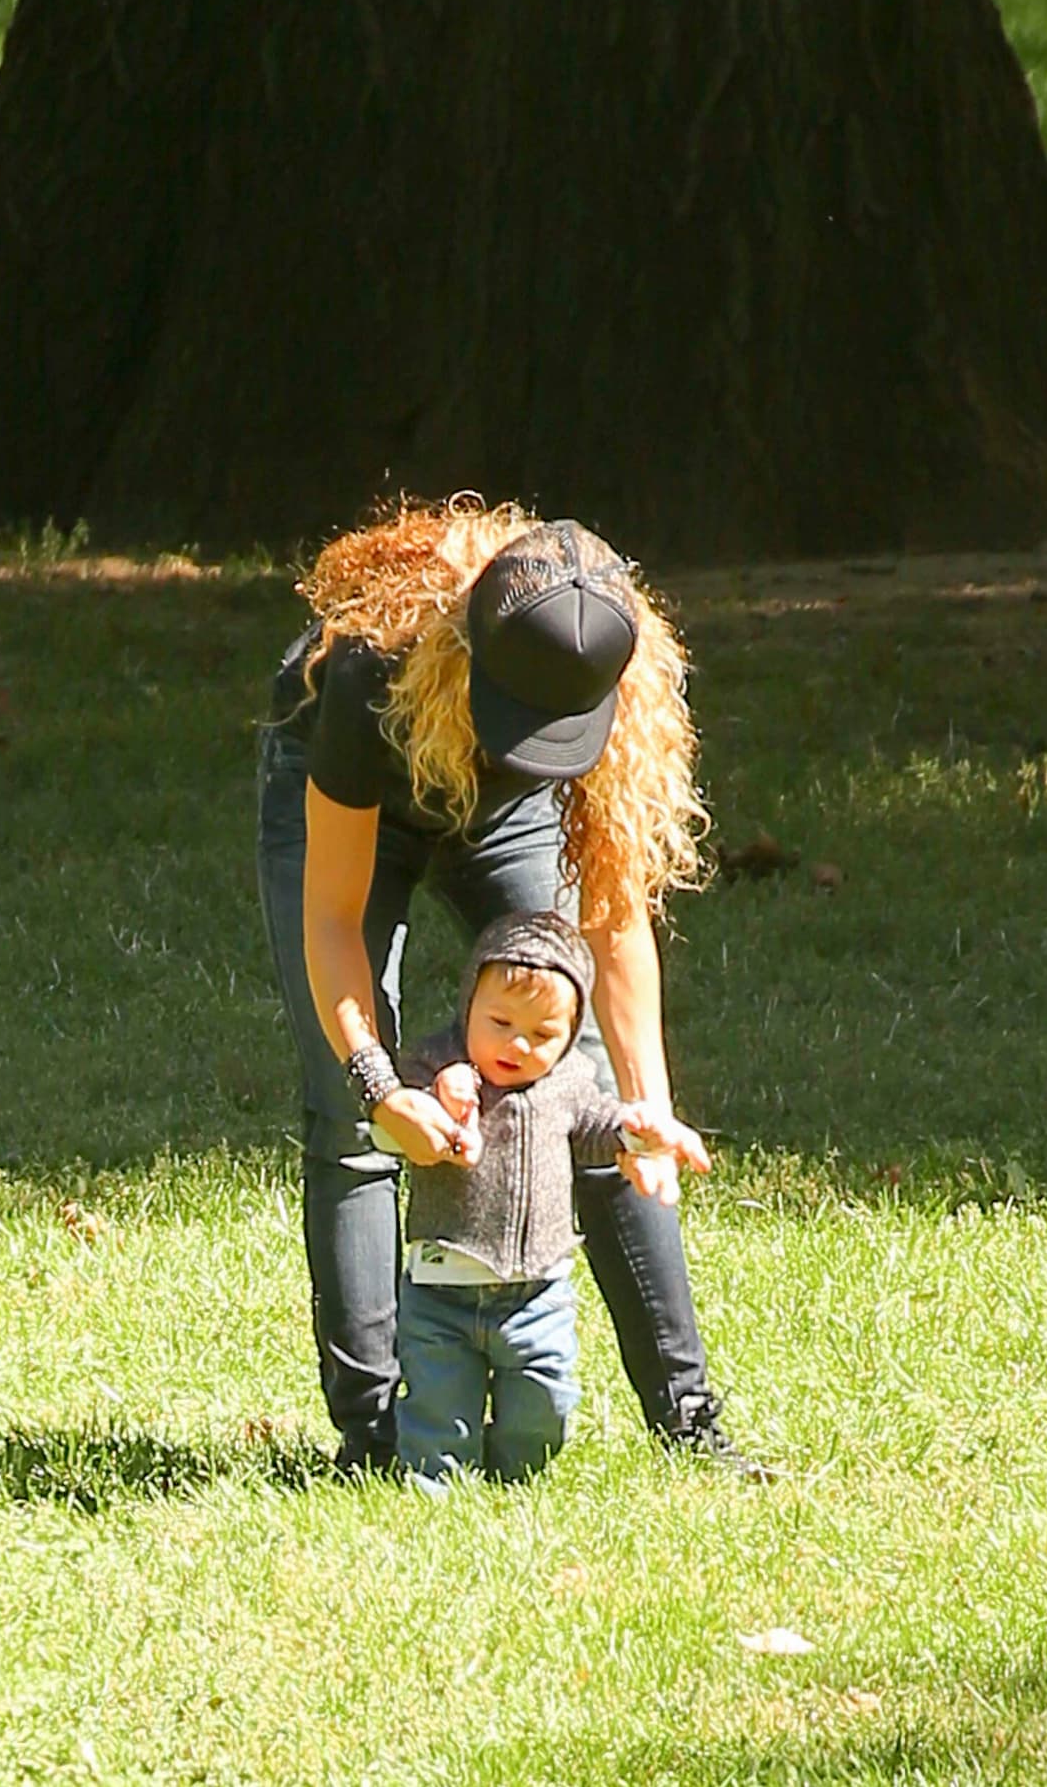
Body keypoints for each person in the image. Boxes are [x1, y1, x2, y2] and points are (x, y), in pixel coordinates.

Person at [257, 493, 757, 1476]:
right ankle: (374, 1444)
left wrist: (647, 1107)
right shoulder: (368, 668)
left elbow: (612, 925)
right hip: (368, 783)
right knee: (350, 1115)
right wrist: (380, 1086)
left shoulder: (622, 683)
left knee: (585, 1091)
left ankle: (689, 1425)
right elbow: (331, 916)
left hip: (505, 819)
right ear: (471, 654)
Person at [359, 908, 709, 1485]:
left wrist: (636, 1132)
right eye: (499, 1021)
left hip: (536, 1295)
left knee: (545, 1408)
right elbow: (393, 1122)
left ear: (570, 1036)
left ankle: (511, 1474)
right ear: (468, 1003)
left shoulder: (566, 1082)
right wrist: (436, 1098)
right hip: (441, 1290)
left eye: (543, 1034)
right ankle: (433, 1489)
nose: (518, 1045)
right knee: (437, 1417)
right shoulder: (434, 1065)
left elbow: (598, 1125)